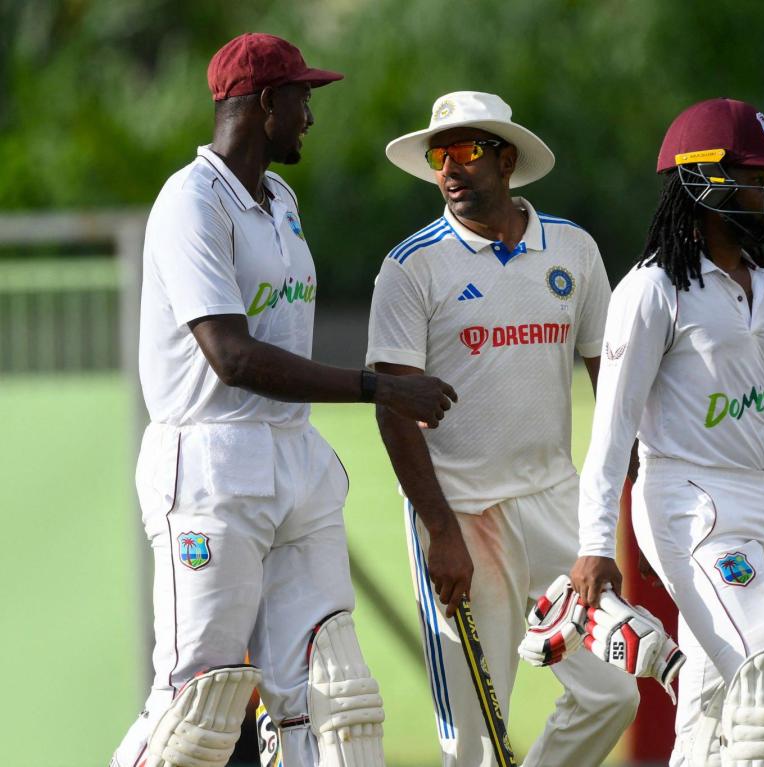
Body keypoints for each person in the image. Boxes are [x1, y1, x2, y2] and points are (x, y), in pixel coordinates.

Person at [110, 33, 456, 767]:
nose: (310, 116)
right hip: (210, 465)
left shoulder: (281, 201)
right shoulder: (190, 203)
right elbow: (232, 357)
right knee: (196, 709)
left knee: (336, 698)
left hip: (293, 458)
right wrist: (378, 387)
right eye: (302, 98)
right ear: (266, 103)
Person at [367, 90, 639, 766]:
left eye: (465, 150)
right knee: (472, 742)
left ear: (507, 159)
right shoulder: (411, 264)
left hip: (554, 506)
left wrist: (620, 481)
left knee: (612, 693)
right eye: (439, 155)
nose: (449, 168)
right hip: (459, 515)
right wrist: (440, 530)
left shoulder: (573, 248)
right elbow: (391, 407)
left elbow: (609, 376)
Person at [571, 98, 764, 767]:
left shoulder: (758, 287)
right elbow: (612, 427)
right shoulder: (651, 289)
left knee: (711, 719)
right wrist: (596, 545)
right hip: (695, 508)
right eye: (755, 178)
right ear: (705, 180)